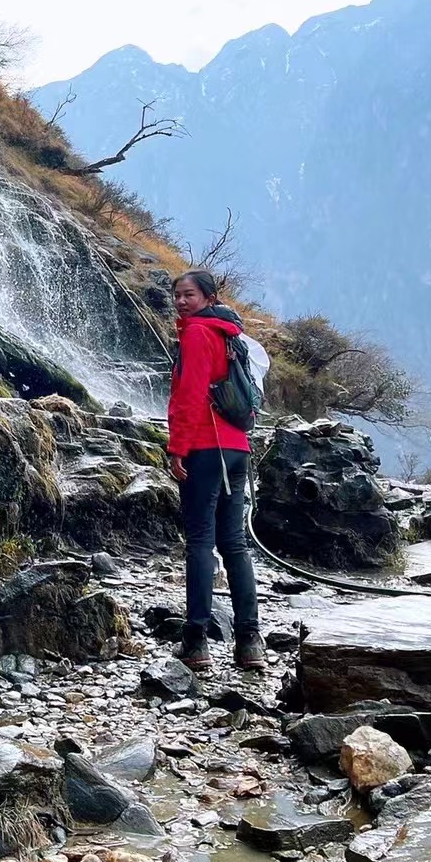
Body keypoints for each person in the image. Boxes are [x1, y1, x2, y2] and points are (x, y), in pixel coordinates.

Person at [168, 269, 265, 672]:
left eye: (188, 294)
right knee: (235, 545)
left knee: (200, 543)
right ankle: (249, 644)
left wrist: (177, 449)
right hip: (237, 449)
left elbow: (190, 395)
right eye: (176, 295)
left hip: (206, 449)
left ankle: (196, 643)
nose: (180, 301)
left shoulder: (195, 334)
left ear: (208, 297)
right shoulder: (231, 335)